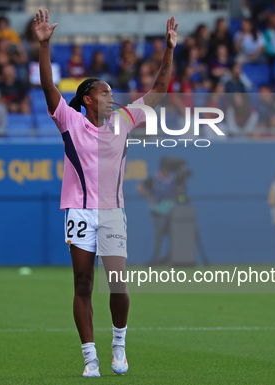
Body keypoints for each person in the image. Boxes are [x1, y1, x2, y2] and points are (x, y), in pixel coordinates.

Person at [34, 8, 177, 377]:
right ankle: (90, 358)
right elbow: (49, 88)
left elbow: (158, 91)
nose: (111, 98)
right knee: (83, 284)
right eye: (104, 93)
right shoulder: (70, 122)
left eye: (112, 93)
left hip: (113, 213)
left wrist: (169, 49)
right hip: (80, 213)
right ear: (86, 100)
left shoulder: (124, 121)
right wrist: (44, 47)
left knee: (118, 283)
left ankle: (118, 345)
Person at [137, 158, 176, 266]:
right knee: (159, 236)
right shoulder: (155, 178)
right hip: (158, 212)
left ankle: (169, 258)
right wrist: (149, 197)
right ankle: (156, 259)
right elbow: (139, 187)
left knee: (174, 235)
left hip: (171, 211)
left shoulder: (172, 178)